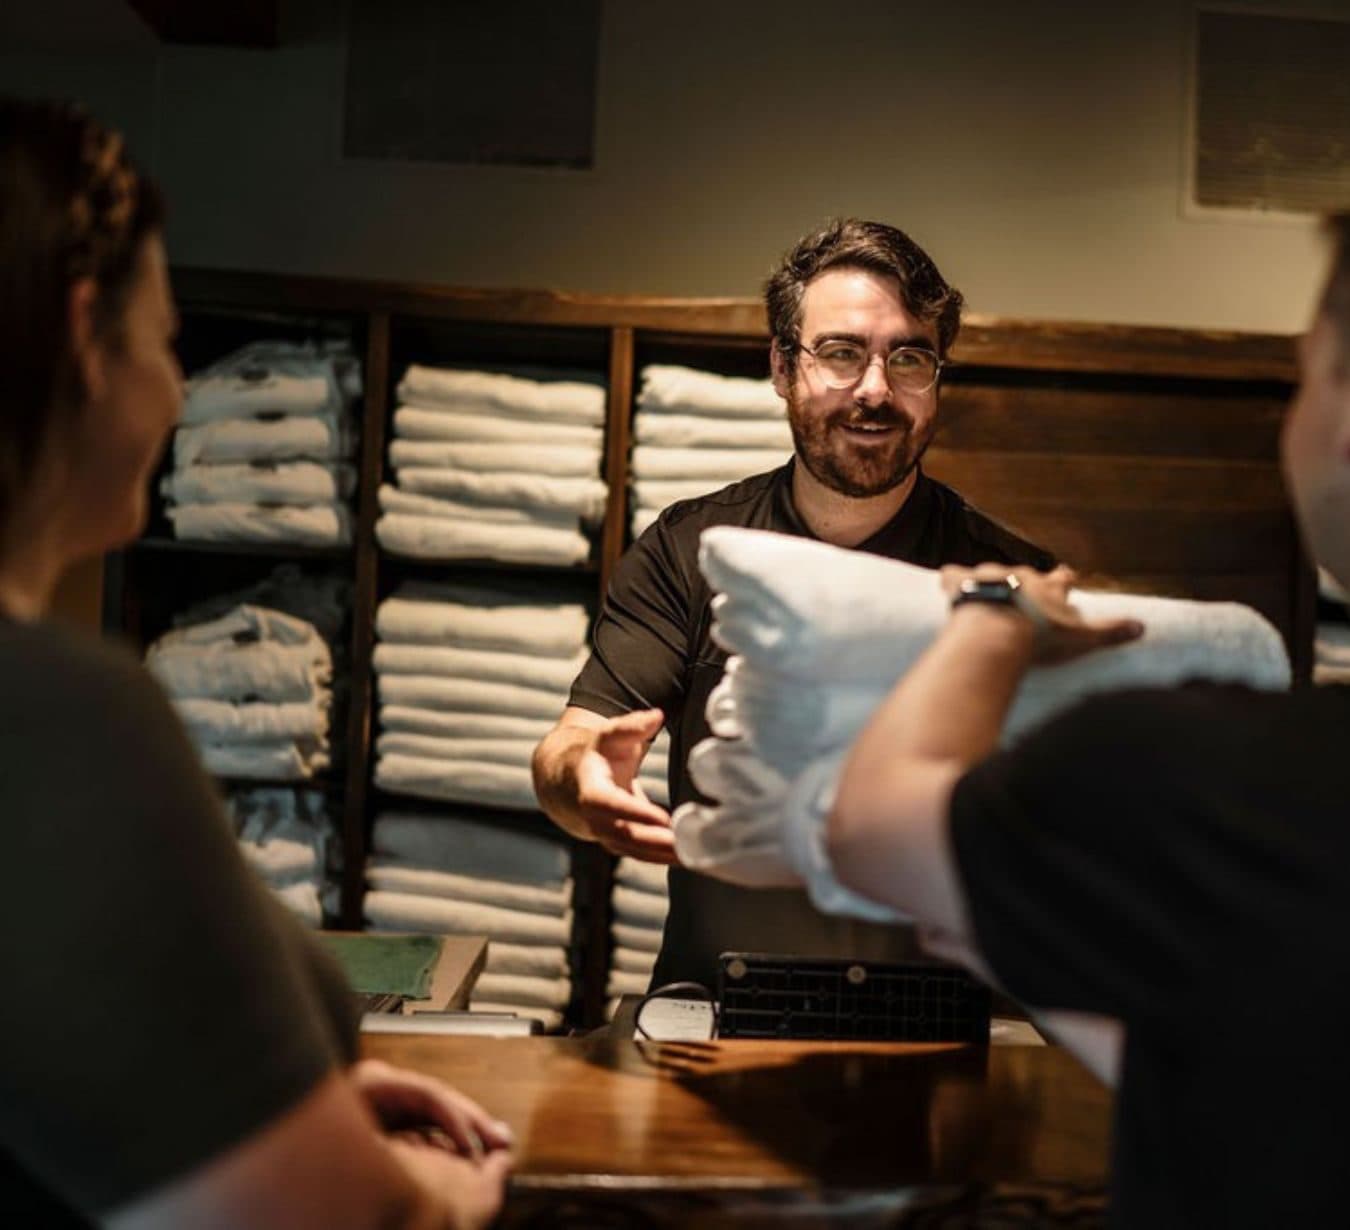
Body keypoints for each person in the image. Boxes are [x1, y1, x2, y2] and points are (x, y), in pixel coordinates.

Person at [0, 98, 510, 1228]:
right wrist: (429, 1196)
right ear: (87, 339)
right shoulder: (62, 715)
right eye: (166, 342)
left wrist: (273, 1096)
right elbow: (336, 1220)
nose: (181, 393)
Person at [824, 216, 1350, 1226]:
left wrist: (993, 615)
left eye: (1308, 373)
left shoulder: (1202, 772)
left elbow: (872, 824)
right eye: (842, 353)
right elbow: (1272, 1077)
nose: (874, 388)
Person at [533, 218, 1056, 989]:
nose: (876, 390)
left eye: (909, 358)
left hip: (937, 1035)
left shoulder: (1010, 579)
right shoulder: (690, 551)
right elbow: (568, 747)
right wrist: (583, 783)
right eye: (842, 353)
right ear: (782, 366)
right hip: (714, 1015)